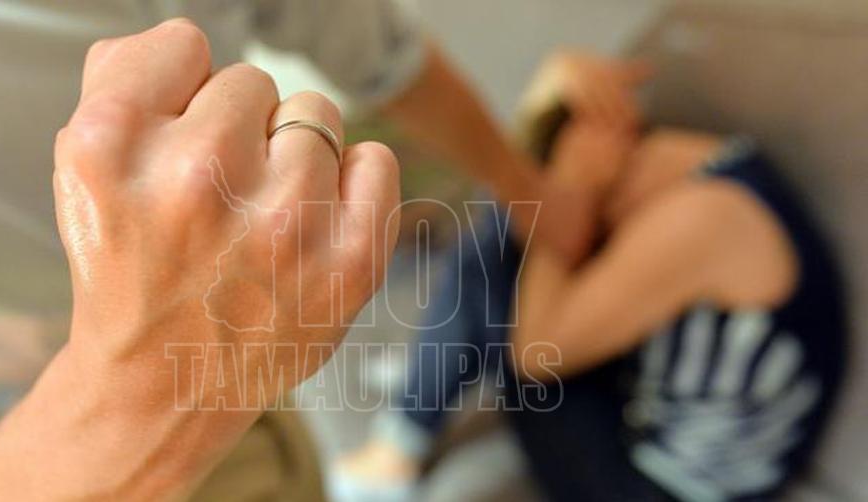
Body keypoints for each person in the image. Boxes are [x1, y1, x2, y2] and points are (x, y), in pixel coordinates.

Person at [0, 1, 564, 498]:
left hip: (241, 361)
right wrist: (143, 394)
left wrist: (528, 190)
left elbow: (382, 52)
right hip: (25, 421)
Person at [336, 51, 847, 501]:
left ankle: (399, 443)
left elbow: (536, 355)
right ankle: (422, 400)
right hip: (646, 407)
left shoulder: (701, 221)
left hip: (663, 486)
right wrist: (547, 110)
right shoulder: (694, 170)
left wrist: (572, 186)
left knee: (501, 245)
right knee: (514, 224)